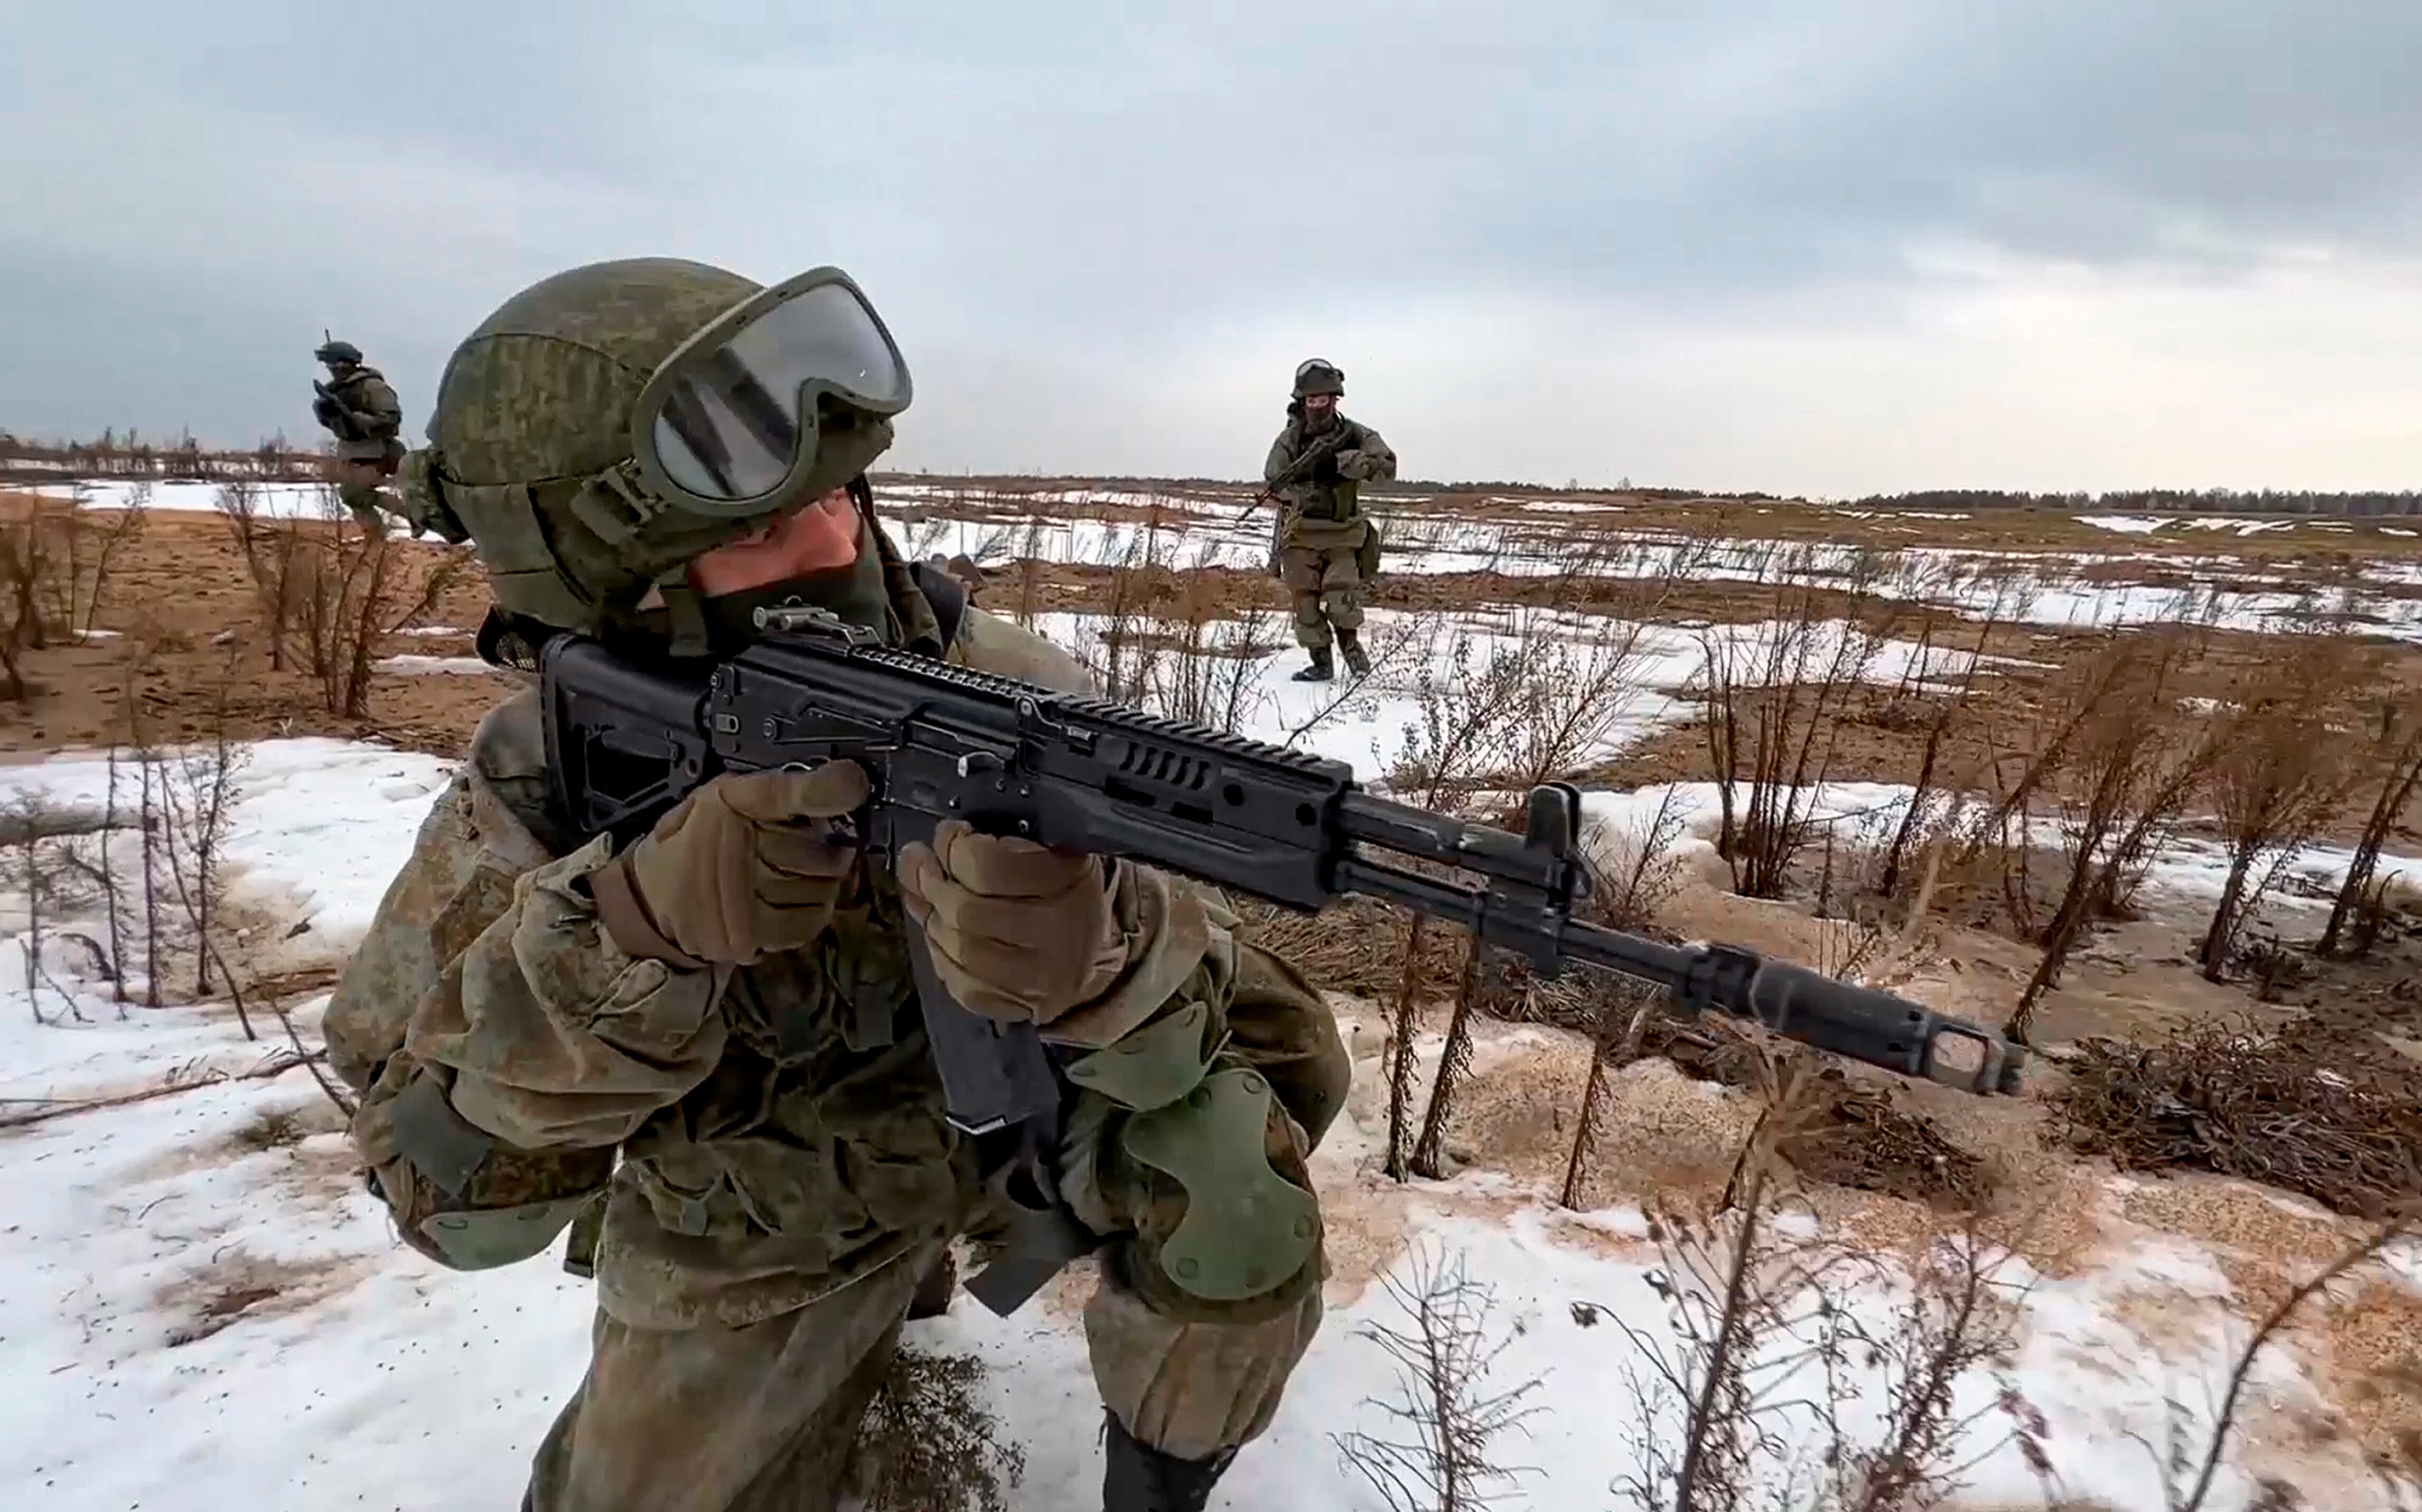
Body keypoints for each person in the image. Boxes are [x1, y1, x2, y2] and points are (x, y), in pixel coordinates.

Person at [323, 257, 1349, 1512]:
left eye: (845, 497)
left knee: (1234, 1182)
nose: (835, 542)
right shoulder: (547, 774)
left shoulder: (1012, 689)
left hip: (1016, 1132)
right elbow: (449, 1202)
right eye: (757, 528)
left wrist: (1114, 953)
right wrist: (629, 937)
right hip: (756, 1207)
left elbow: (1293, 1048)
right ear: (614, 589)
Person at [1262, 359, 1395, 682]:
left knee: (1342, 601)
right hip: (1302, 535)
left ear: (1335, 400)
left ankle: (1354, 657)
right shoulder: (1290, 441)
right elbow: (1274, 481)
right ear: (1302, 402)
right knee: (1305, 605)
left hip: (1343, 535)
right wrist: (1300, 493)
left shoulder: (1357, 434)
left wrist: (1346, 464)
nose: (1317, 406)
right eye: (1311, 400)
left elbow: (1386, 468)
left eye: (1324, 400)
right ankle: (1321, 664)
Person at [311, 338, 406, 523]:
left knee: (353, 493)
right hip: (350, 452)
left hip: (377, 451)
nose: (330, 369)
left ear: (344, 364)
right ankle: (374, 542)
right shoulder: (336, 390)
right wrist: (327, 415)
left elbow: (391, 418)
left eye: (333, 364)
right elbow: (338, 426)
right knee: (353, 498)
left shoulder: (372, 386)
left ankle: (412, 515)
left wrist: (356, 418)